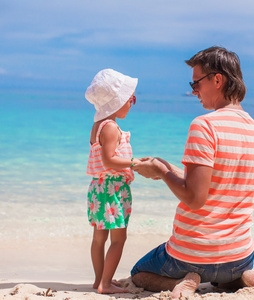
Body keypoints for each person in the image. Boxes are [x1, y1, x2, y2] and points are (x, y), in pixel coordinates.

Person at [131, 46, 254, 299]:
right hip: (239, 256)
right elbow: (219, 183)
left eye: (196, 83)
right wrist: (168, 167)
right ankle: (238, 278)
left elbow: (195, 199)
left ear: (217, 80)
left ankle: (188, 278)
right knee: (227, 272)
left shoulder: (204, 124)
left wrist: (163, 173)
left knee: (138, 273)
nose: (194, 90)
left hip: (192, 255)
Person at [85, 68, 141, 294]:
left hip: (100, 189)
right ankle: (106, 283)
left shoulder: (99, 125)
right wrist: (134, 163)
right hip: (113, 189)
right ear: (116, 101)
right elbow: (109, 160)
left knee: (99, 238)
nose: (132, 103)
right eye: (131, 99)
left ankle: (99, 280)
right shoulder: (110, 128)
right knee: (118, 239)